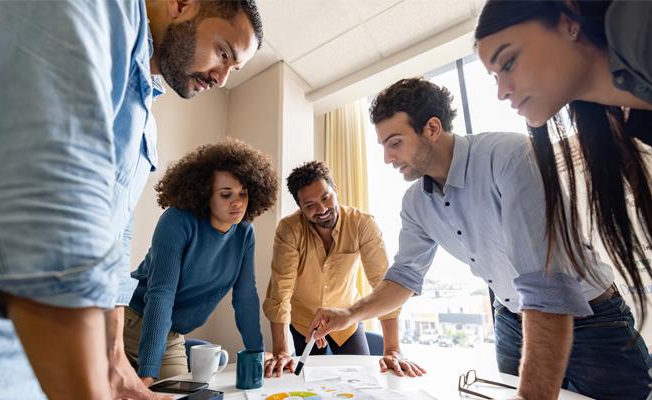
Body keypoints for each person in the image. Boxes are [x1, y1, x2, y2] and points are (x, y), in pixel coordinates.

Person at [0, 1, 263, 399]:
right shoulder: (101, 10)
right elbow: (50, 200)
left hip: (31, 337)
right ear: (181, 4)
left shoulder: (144, 110)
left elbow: (115, 240)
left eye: (234, 70)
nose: (222, 78)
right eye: (224, 53)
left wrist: (117, 365)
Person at [308, 78, 651, 400]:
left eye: (395, 143)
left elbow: (547, 285)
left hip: (592, 321)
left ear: (431, 128)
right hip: (514, 323)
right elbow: (404, 278)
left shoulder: (510, 157)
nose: (387, 158)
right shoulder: (415, 203)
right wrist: (350, 314)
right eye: (383, 146)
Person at [474, 0, 652, 323]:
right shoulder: (625, 119)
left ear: (568, 19)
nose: (501, 92)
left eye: (509, 62)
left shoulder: (637, 26)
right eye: (494, 76)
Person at [123, 139, 278, 384]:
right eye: (226, 194)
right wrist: (147, 373)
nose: (237, 202)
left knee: (181, 394)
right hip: (129, 322)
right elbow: (161, 294)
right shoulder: (177, 221)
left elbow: (245, 297)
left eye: (243, 193)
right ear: (205, 194)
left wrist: (256, 354)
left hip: (171, 335)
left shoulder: (244, 233)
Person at [262, 161, 425, 378]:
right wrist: (281, 350)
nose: (321, 210)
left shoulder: (362, 224)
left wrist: (392, 348)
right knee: (308, 383)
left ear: (335, 189)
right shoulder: (289, 230)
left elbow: (384, 284)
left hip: (346, 319)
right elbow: (280, 291)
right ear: (300, 207)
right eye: (309, 205)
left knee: (360, 382)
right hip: (304, 322)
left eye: (325, 197)